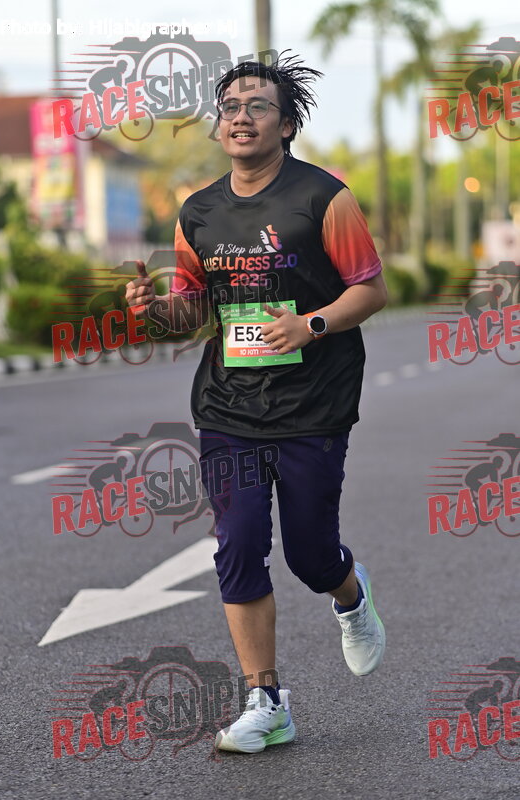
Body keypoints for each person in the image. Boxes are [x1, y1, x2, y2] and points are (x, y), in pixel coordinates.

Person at [126, 52, 388, 755]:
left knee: (309, 555)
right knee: (238, 543)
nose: (241, 117)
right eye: (230, 107)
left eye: (258, 106)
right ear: (219, 126)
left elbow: (370, 288)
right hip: (228, 404)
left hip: (313, 402)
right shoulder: (198, 212)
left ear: (287, 124)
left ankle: (349, 594)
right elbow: (192, 311)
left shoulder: (323, 199)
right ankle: (266, 701)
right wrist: (155, 310)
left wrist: (311, 324)